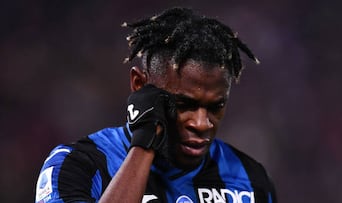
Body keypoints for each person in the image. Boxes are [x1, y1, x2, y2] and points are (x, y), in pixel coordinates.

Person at [35, 7, 277, 203]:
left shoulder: (250, 179)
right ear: (140, 85)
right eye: (183, 104)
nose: (201, 123)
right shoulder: (78, 166)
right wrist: (145, 143)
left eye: (215, 106)